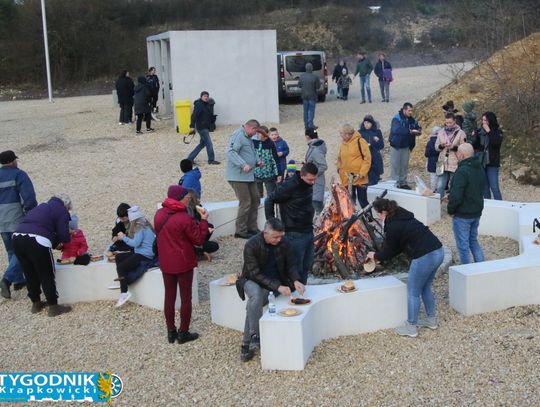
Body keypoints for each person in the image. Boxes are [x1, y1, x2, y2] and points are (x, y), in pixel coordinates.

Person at [367, 198, 444, 338]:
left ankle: (411, 327)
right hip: (438, 251)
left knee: (413, 291)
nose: (378, 217)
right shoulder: (402, 215)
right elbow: (398, 247)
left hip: (424, 256)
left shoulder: (393, 226)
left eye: (378, 214)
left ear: (384, 212)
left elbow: (391, 250)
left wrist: (376, 256)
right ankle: (431, 320)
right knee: (426, 287)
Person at [236, 218, 305, 362]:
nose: (279, 240)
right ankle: (256, 335)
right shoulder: (251, 244)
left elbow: (291, 265)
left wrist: (296, 280)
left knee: (252, 305)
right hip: (250, 280)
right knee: (255, 295)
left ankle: (246, 344)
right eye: (275, 237)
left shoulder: (284, 243)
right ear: (265, 232)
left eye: (281, 236)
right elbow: (254, 273)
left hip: (273, 283)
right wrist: (277, 286)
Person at [155, 185, 209, 344]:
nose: (189, 200)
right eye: (187, 198)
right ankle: (183, 332)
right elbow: (198, 239)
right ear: (180, 198)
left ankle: (170, 331)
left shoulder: (159, 214)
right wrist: (204, 221)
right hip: (183, 262)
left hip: (166, 261)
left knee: (169, 296)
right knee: (186, 298)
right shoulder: (184, 218)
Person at [12, 193, 73, 317]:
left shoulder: (43, 206)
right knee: (46, 273)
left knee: (29, 272)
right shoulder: (62, 210)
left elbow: (43, 228)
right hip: (37, 240)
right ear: (66, 205)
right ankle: (53, 306)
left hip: (17, 237)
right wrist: (69, 235)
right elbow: (64, 235)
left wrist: (55, 243)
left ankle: (36, 303)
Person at [265, 163, 318, 284]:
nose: (313, 182)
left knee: (306, 265)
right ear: (302, 175)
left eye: (315, 179)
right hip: (294, 233)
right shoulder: (290, 185)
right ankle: (293, 293)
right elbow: (270, 199)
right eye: (310, 179)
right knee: (295, 267)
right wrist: (271, 222)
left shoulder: (307, 183)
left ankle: (303, 290)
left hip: (308, 230)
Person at [0, 150, 37, 299]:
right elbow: (28, 197)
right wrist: (31, 214)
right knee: (21, 251)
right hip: (16, 218)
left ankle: (18, 280)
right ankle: (7, 279)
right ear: (13, 161)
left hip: (1, 220)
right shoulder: (19, 174)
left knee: (10, 250)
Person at [446, 143, 485, 265]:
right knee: (473, 240)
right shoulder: (479, 167)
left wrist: (451, 209)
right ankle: (482, 267)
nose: (457, 155)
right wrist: (451, 196)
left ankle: (467, 272)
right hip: (476, 211)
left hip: (463, 214)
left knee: (463, 246)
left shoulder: (462, 171)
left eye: (458, 153)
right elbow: (472, 189)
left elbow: (457, 195)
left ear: (461, 155)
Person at [225, 119, 261, 239]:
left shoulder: (249, 138)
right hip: (238, 176)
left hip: (249, 175)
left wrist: (257, 161)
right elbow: (230, 152)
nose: (256, 134)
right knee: (245, 202)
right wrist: (243, 164)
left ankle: (252, 227)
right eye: (255, 131)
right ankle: (240, 230)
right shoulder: (238, 135)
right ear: (251, 128)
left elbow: (251, 152)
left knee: (256, 199)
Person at [114, 206, 155, 307]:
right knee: (118, 257)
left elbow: (135, 244)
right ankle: (122, 280)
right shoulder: (144, 223)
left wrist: (123, 237)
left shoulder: (139, 227)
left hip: (144, 254)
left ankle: (124, 292)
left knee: (121, 267)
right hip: (142, 252)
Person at [337, 124, 372, 209]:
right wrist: (339, 169)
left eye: (342, 134)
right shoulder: (343, 144)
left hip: (360, 178)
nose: (341, 136)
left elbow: (367, 158)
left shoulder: (360, 141)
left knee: (363, 200)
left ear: (348, 134)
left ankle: (369, 219)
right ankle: (353, 221)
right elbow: (339, 158)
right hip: (347, 179)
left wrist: (362, 172)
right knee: (350, 201)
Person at [470, 112, 504, 200]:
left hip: (492, 163)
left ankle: (500, 207)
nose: (483, 122)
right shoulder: (479, 131)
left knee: (494, 187)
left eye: (486, 120)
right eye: (483, 120)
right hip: (481, 162)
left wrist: (489, 131)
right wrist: (474, 137)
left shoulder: (497, 132)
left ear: (491, 121)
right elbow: (474, 146)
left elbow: (496, 143)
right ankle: (488, 207)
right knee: (485, 188)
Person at [389, 102, 422, 189]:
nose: (411, 112)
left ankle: (403, 183)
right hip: (396, 145)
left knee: (404, 165)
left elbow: (416, 126)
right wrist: (410, 131)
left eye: (411, 110)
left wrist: (418, 130)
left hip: (406, 145)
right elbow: (396, 130)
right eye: (409, 110)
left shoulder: (412, 119)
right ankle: (395, 183)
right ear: (404, 110)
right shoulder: (396, 118)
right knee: (395, 166)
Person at [435, 113, 467, 198]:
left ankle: (453, 204)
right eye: (446, 123)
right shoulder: (441, 132)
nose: (448, 125)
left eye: (450, 122)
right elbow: (436, 146)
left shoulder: (461, 133)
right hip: (442, 161)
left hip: (455, 162)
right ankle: (437, 203)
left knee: (454, 185)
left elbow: (464, 147)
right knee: (440, 186)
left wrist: (454, 147)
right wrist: (441, 146)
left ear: (455, 121)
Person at [187, 91, 220, 165]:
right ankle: (211, 160)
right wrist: (192, 126)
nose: (206, 97)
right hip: (201, 127)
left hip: (205, 127)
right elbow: (194, 116)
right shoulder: (199, 105)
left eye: (207, 96)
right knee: (209, 144)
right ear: (201, 97)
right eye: (204, 96)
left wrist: (213, 119)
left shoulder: (207, 105)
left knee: (202, 144)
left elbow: (207, 116)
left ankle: (190, 159)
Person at [185, 190, 219, 261]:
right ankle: (198, 252)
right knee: (214, 246)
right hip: (190, 242)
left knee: (210, 226)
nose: (199, 200)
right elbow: (193, 230)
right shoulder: (188, 212)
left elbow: (199, 223)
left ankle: (200, 247)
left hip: (195, 237)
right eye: (197, 198)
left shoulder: (196, 208)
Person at [304, 128, 327, 214]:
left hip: (317, 183)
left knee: (318, 208)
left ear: (307, 137)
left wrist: (313, 174)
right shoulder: (316, 146)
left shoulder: (316, 150)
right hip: (315, 182)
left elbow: (323, 166)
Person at [252, 127, 280, 198]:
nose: (264, 138)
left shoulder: (270, 143)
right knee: (257, 195)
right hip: (256, 174)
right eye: (262, 135)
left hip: (269, 174)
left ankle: (270, 207)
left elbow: (275, 159)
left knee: (271, 195)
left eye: (265, 136)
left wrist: (279, 173)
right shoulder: (253, 142)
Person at [359, 115, 384, 186]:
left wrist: (377, 140)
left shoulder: (377, 132)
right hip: (364, 158)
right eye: (365, 122)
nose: (366, 124)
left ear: (372, 123)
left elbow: (381, 146)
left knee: (375, 180)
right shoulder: (360, 132)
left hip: (375, 157)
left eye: (368, 123)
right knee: (366, 180)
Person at [298, 62, 320, 129]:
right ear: (312, 68)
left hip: (304, 96)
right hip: (312, 95)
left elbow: (299, 85)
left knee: (305, 111)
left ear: (305, 68)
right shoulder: (315, 77)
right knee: (311, 110)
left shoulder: (301, 76)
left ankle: (306, 125)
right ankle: (310, 124)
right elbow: (318, 87)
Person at [424, 126, 442, 192]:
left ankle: (433, 189)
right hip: (440, 161)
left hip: (431, 161)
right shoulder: (441, 142)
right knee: (439, 176)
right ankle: (438, 190)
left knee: (433, 177)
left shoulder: (430, 142)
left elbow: (426, 154)